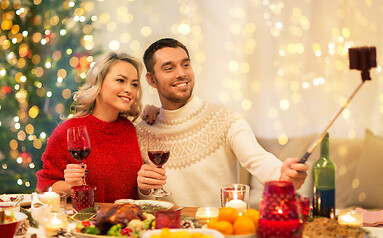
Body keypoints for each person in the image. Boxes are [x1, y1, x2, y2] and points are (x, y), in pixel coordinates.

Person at [136, 38, 309, 207]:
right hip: (168, 233)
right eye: (169, 68)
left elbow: (258, 160)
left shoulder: (225, 119)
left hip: (219, 230)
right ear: (151, 80)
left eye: (186, 64)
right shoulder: (142, 132)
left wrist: (283, 175)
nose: (181, 73)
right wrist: (143, 190)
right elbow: (141, 202)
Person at [36, 52, 144, 202]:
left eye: (134, 84)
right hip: (86, 222)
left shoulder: (131, 130)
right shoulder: (67, 131)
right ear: (98, 83)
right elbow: (44, 189)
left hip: (128, 222)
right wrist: (71, 185)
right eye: (120, 80)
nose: (129, 90)